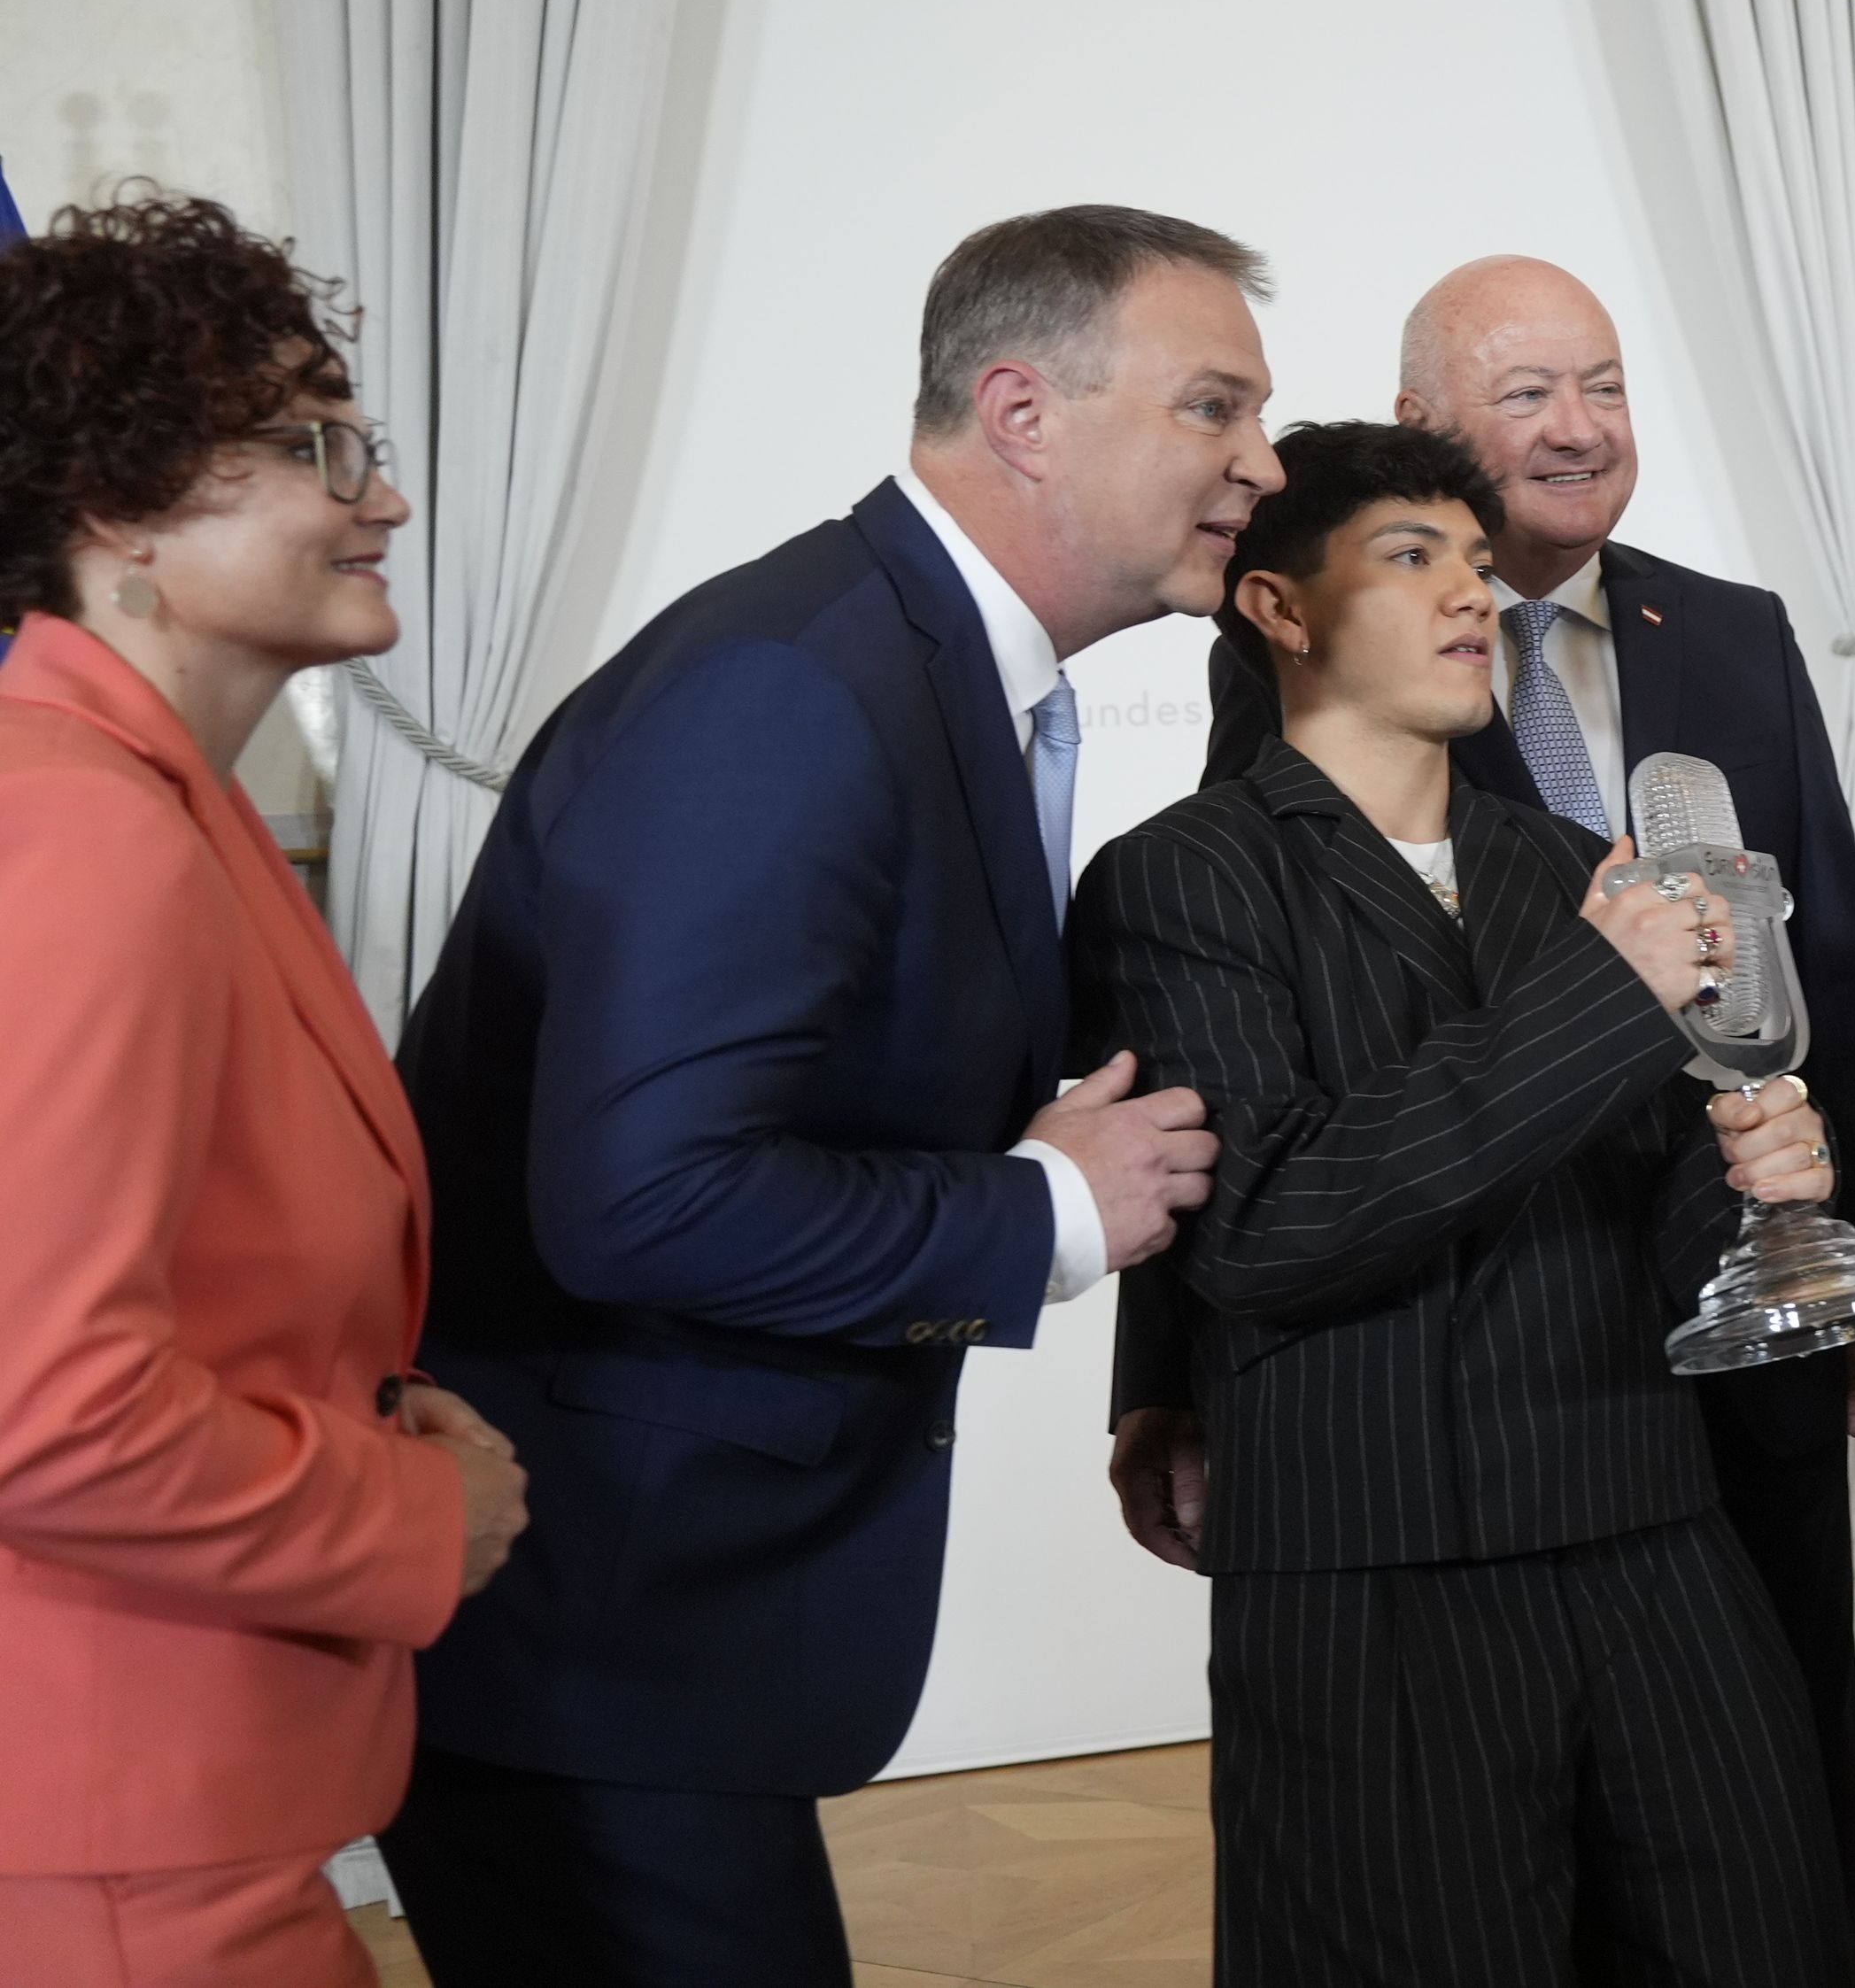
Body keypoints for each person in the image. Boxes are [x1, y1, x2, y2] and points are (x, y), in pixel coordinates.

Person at [381, 207, 1269, 1985]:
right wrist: (1045, 1212)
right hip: (592, 1619)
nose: (1257, 462)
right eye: (1212, 406)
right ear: (1023, 410)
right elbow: (643, 1193)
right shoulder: (793, 689)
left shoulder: (917, 666)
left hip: (667, 1621)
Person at [1179, 254, 1855, 1969]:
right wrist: (1168, 1373)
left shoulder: (1725, 638)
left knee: (1764, 1830)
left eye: (1601, 384)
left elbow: (1833, 968)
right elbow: (1235, 1096)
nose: (1578, 425)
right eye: (1526, 392)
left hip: (1705, 1354)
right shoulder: (1255, 755)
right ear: (1421, 424)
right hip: (1426, 1418)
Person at [0, 192, 528, 1986]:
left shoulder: (168, 805)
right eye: (315, 442)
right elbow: (44, 1405)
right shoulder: (84, 830)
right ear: (121, 506)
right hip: (118, 1844)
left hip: (177, 1815)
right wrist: (409, 1517)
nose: (379, 494)